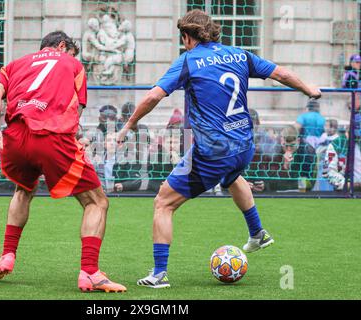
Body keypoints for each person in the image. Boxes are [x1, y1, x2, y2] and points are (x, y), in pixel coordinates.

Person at [117, 9, 321, 288]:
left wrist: (129, 124)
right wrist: (308, 88)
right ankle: (257, 232)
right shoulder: (240, 54)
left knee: (163, 203)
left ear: (187, 37)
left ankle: (158, 274)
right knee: (232, 175)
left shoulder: (189, 60)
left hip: (214, 150)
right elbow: (281, 73)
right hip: (244, 144)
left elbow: (154, 95)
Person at [0, 30, 126, 293]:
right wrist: (77, 139)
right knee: (97, 202)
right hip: (51, 138)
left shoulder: (15, 64)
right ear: (62, 46)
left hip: (14, 137)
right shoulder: (73, 64)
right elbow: (77, 110)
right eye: (71, 51)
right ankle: (90, 272)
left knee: (23, 191)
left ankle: (7, 256)